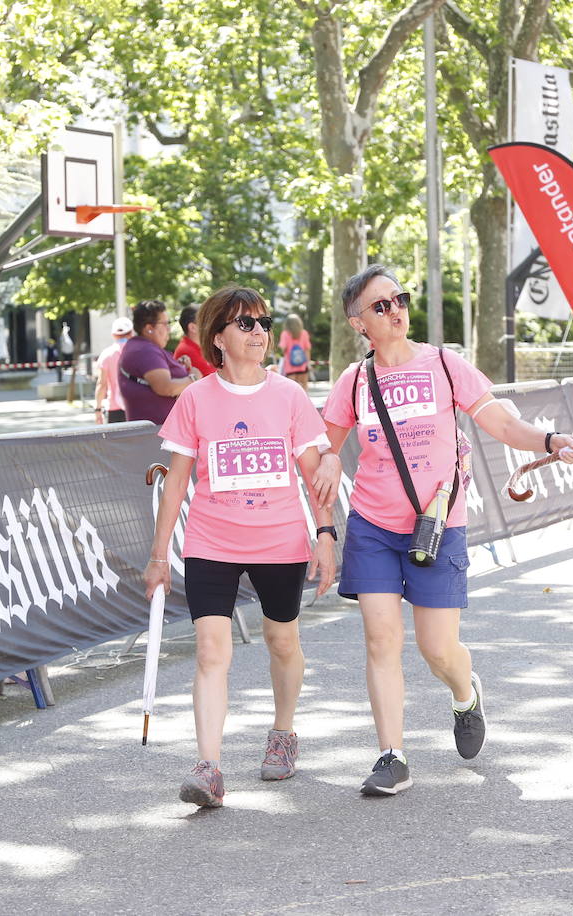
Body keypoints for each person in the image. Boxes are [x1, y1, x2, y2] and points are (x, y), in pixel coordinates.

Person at [311, 264, 573, 797]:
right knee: (381, 638)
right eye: (380, 305)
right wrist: (326, 459)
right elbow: (322, 442)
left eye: (399, 298)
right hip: (372, 524)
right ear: (357, 322)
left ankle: (465, 693)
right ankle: (392, 755)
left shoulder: (444, 364)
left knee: (438, 649)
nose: (395, 310)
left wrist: (549, 441)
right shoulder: (354, 381)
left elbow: (500, 423)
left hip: (437, 525)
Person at [145, 286, 337, 808]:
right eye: (246, 324)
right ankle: (208, 767)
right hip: (211, 541)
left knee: (282, 642)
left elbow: (314, 476)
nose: (259, 333)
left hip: (280, 540)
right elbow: (177, 483)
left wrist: (325, 536)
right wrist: (160, 555)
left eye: (263, 323)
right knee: (212, 651)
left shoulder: (289, 397)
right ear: (219, 337)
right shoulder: (195, 399)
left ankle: (283, 731)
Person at [119, 299, 199, 425]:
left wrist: (178, 367)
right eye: (165, 324)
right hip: (156, 435)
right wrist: (194, 378)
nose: (169, 329)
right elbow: (165, 387)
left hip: (160, 432)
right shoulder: (145, 350)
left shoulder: (142, 347)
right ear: (149, 328)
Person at [93, 317, 134, 424]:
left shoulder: (107, 354)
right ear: (131, 333)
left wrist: (98, 409)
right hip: (136, 407)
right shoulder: (138, 352)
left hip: (114, 408)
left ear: (113, 335)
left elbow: (101, 384)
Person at [172, 305, 216, 379]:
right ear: (193, 327)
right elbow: (215, 378)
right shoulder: (186, 350)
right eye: (206, 321)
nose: (211, 324)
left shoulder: (199, 347)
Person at [278, 313, 313, 391]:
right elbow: (307, 349)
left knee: (291, 389)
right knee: (304, 387)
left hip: (290, 367)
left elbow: (283, 349)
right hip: (302, 365)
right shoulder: (304, 333)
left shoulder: (285, 334)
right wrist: (308, 363)